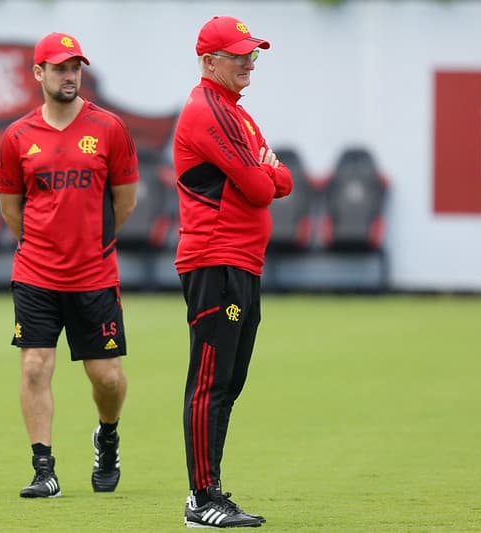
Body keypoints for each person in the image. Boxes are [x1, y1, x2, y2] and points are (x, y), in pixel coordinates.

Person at [0, 32, 139, 499]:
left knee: (107, 378)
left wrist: (85, 246)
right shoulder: (17, 137)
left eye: (75, 67)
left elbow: (125, 202)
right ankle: (44, 469)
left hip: (94, 276)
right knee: (35, 366)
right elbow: (11, 209)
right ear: (39, 73)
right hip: (35, 273)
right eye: (59, 67)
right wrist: (42, 246)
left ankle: (108, 436)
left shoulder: (110, 128)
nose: (69, 75)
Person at [172, 16, 293, 528]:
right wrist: (264, 170)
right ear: (209, 62)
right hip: (215, 259)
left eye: (253, 54)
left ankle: (211, 490)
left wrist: (265, 170)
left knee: (230, 380)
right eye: (239, 54)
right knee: (211, 381)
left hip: (241, 261)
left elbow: (282, 179)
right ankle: (202, 498)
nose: (248, 62)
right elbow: (265, 186)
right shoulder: (208, 111)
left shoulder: (237, 115)